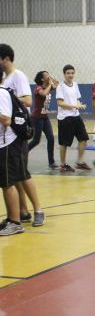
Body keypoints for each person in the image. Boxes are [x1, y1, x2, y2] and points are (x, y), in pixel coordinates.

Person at [0, 44, 46, 227]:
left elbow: (28, 101)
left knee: (23, 174)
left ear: (5, 58)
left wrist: (10, 98)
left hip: (17, 132)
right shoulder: (6, 81)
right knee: (14, 175)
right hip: (10, 133)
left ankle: (38, 210)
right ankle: (23, 211)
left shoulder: (17, 77)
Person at [0, 61, 26, 235]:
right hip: (3, 144)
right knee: (4, 183)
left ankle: (16, 222)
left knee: (8, 183)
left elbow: (7, 120)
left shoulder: (2, 94)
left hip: (7, 144)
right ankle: (11, 218)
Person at [56, 64, 90, 173]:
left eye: (72, 73)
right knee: (64, 143)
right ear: (64, 74)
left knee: (83, 139)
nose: (70, 75)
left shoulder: (75, 84)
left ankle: (79, 162)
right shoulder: (60, 86)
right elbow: (60, 103)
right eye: (68, 73)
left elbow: (77, 99)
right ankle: (63, 165)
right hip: (65, 118)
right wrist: (74, 106)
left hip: (76, 116)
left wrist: (80, 105)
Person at [28, 71, 59, 170]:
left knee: (51, 138)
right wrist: (50, 84)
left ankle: (51, 162)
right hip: (37, 118)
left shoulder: (47, 86)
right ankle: (22, 153)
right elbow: (44, 93)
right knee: (36, 140)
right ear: (42, 79)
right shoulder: (38, 88)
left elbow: (57, 86)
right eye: (46, 75)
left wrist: (54, 82)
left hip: (45, 117)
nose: (49, 75)